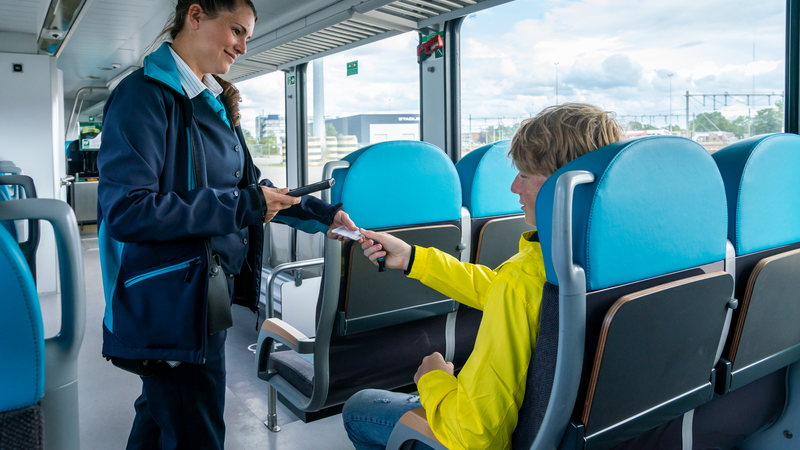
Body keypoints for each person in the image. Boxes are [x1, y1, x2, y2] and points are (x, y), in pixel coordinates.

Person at [96, 1, 358, 449]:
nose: (241, 46)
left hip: (205, 294)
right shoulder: (142, 96)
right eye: (235, 31)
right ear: (195, 16)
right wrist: (243, 204)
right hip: (172, 302)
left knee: (163, 418)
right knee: (196, 431)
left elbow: (251, 189)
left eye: (247, 37)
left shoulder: (213, 101)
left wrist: (321, 214)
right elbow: (129, 210)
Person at [342, 103, 626, 450]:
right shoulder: (605, 256)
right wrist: (413, 258)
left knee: (359, 408)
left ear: (560, 185)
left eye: (524, 174)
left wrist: (433, 380)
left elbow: (476, 436)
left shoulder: (527, 278)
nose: (513, 187)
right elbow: (502, 291)